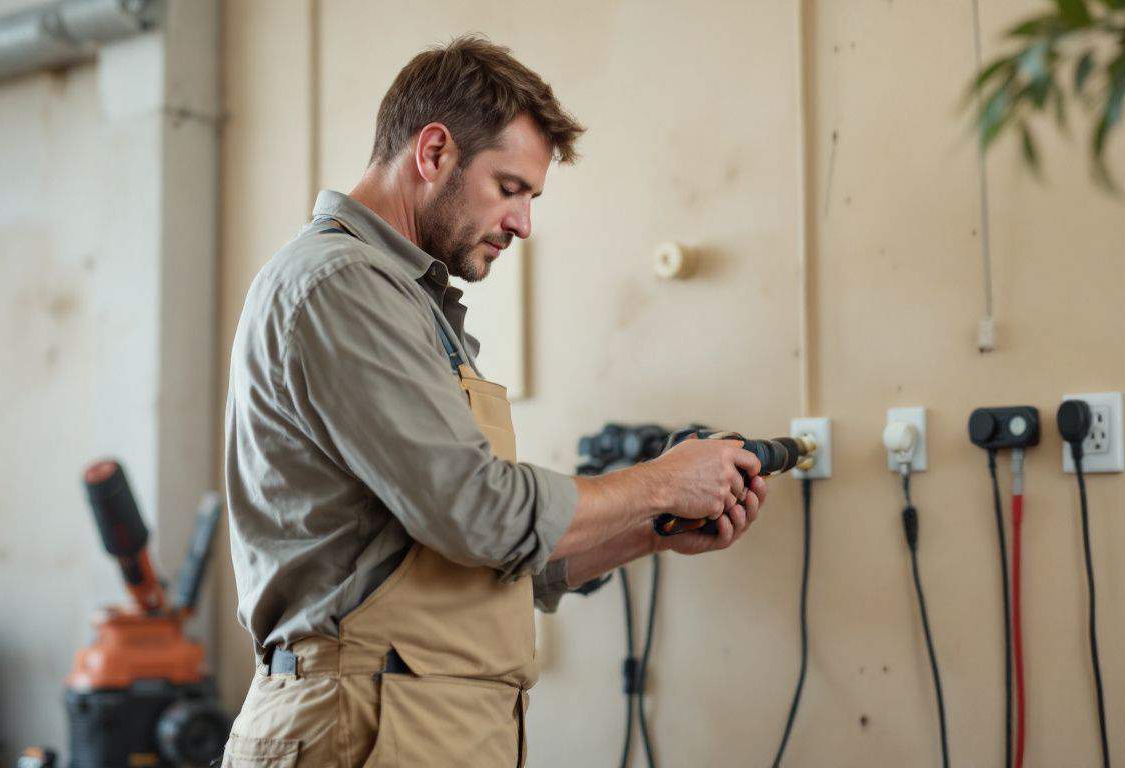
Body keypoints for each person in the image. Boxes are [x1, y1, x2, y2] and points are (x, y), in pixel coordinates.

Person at [221, 35, 767, 768]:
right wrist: (664, 480)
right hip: (362, 723)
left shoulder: (408, 301)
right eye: (510, 189)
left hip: (421, 720)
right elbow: (478, 512)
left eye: (531, 199)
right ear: (435, 152)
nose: (522, 224)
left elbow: (500, 562)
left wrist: (653, 526)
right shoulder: (339, 285)